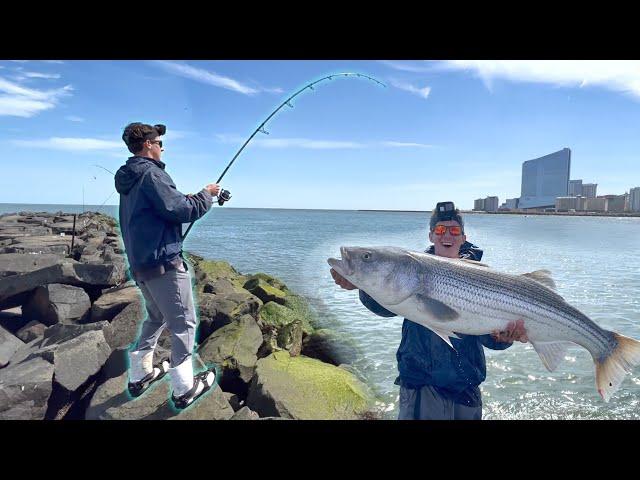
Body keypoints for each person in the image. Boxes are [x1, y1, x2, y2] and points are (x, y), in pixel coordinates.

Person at [330, 201, 528, 420]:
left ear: (463, 238)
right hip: (421, 386)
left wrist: (503, 338)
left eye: (454, 231)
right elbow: (386, 307)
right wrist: (363, 286)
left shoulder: (483, 277)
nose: (447, 236)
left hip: (467, 388)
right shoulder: (411, 269)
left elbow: (487, 336)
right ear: (431, 236)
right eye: (440, 230)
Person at [115, 122, 223, 409]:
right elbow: (181, 210)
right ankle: (184, 388)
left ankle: (140, 374)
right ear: (150, 144)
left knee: (155, 317)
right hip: (163, 264)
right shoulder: (151, 174)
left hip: (141, 265)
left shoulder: (130, 177)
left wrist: (195, 197)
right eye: (160, 143)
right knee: (184, 323)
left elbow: (163, 207)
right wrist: (206, 195)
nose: (163, 148)